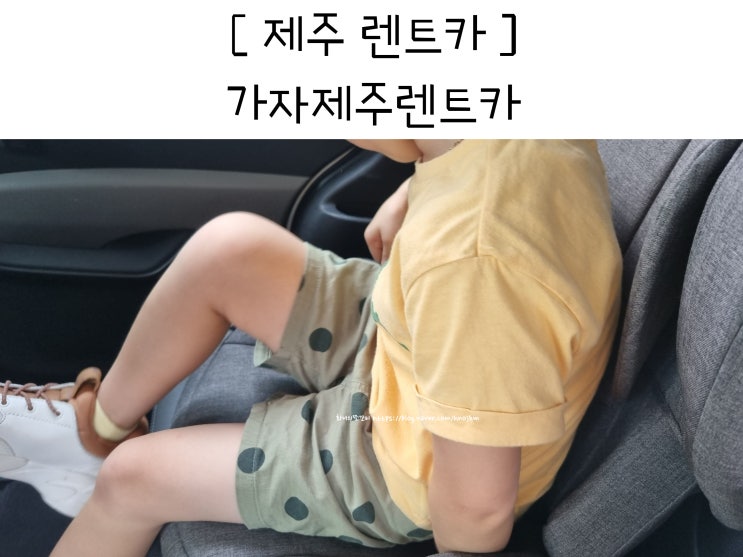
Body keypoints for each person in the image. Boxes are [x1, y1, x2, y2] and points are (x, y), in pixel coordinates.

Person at [0, 140, 621, 556]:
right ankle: (93, 431)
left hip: (412, 458)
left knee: (137, 477)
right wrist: (421, 183)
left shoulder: (475, 265)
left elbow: (477, 505)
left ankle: (106, 476)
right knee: (229, 249)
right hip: (414, 340)